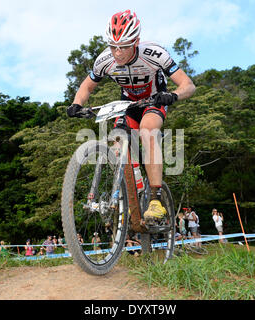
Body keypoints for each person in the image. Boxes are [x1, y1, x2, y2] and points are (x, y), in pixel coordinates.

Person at [67, 10, 196, 225]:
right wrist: (76, 104)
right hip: (127, 106)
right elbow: (87, 86)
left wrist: (172, 95)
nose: (117, 53)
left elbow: (188, 85)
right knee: (117, 144)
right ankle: (128, 196)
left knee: (148, 131)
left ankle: (155, 200)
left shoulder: (154, 54)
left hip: (154, 102)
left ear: (136, 41)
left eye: (124, 46)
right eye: (113, 46)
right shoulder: (104, 60)